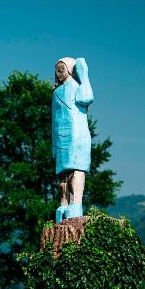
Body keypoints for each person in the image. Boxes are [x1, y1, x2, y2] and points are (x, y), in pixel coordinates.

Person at [52, 56, 94, 222]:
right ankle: (64, 203)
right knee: (63, 175)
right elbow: (53, 120)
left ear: (69, 69)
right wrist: (54, 144)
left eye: (62, 68)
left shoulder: (76, 86)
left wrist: (83, 73)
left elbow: (87, 97)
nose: (59, 72)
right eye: (57, 69)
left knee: (75, 170)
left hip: (76, 135)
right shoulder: (55, 92)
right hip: (60, 138)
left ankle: (75, 204)